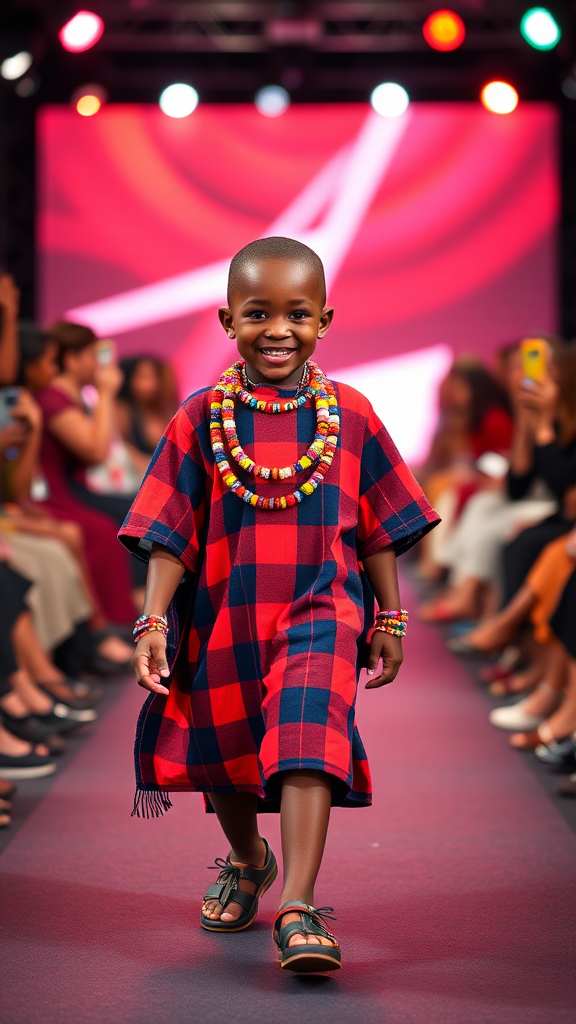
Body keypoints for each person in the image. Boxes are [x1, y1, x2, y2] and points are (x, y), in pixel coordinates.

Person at [119, 237, 439, 973]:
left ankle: (298, 906)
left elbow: (377, 527)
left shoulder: (350, 414)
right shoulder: (200, 418)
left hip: (323, 611)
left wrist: (388, 617)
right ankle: (247, 855)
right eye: (258, 312)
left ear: (325, 319)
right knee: (227, 752)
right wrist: (155, 621)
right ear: (227, 319)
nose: (278, 329)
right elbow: (170, 532)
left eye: (297, 313)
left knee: (305, 736)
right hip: (225, 615)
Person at [32, 322, 138, 626]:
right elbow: (96, 452)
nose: (99, 364)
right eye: (93, 355)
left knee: (138, 512)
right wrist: (105, 393)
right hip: (56, 493)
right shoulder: (54, 398)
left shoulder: (73, 397)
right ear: (72, 359)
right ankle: (111, 622)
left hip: (74, 488)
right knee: (111, 527)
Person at [116, 356, 178, 477]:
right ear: (129, 380)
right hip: (141, 477)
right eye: (143, 377)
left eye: (154, 377)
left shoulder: (164, 408)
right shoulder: (122, 410)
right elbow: (121, 449)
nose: (150, 384)